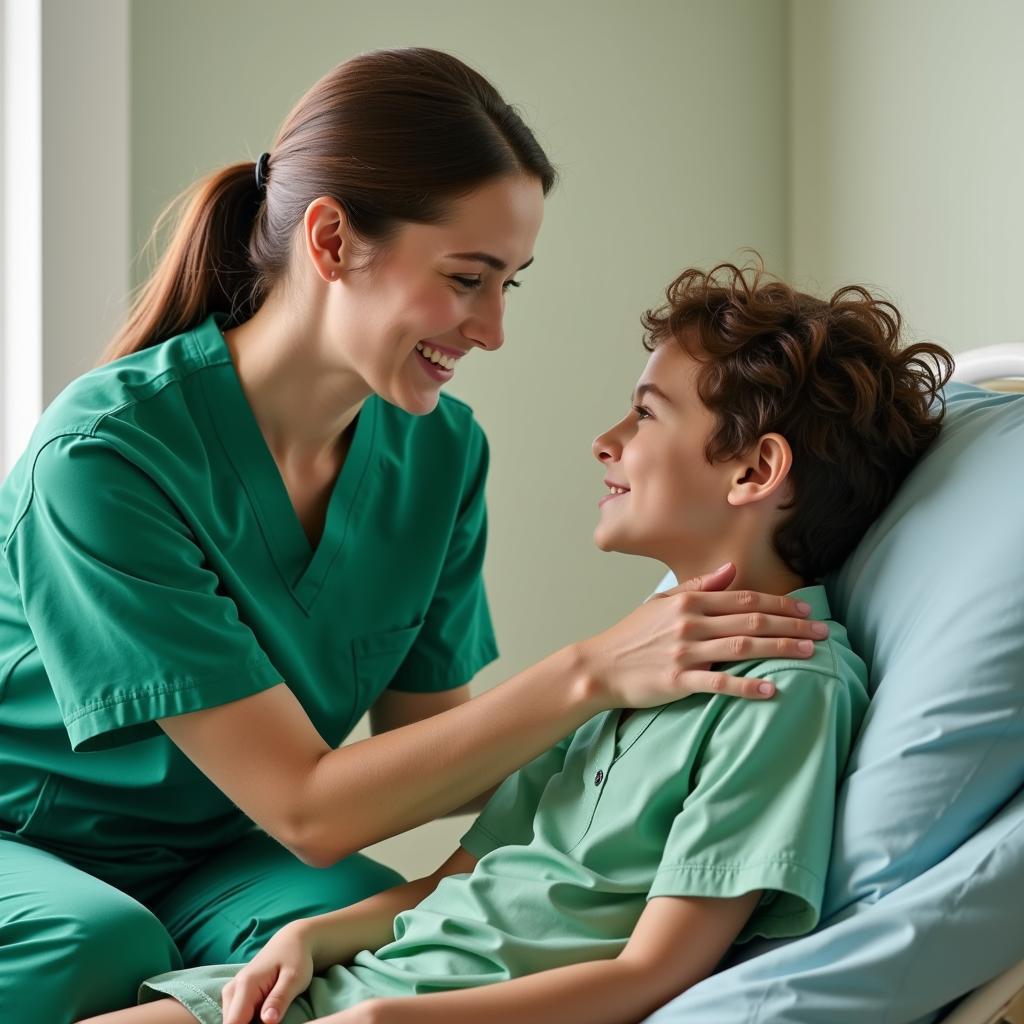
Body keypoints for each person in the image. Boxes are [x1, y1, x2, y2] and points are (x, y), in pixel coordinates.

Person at [0, 51, 823, 1023]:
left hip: (226, 857)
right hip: (35, 843)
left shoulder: (441, 456)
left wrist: (658, 773)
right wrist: (592, 672)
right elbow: (312, 809)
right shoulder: (105, 459)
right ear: (333, 238)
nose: (491, 329)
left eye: (508, 284)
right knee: (99, 945)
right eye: (467, 278)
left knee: (399, 945)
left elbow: (428, 759)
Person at [78, 259, 955, 1024]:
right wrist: (312, 936)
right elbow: (456, 884)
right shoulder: (627, 667)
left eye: (647, 416)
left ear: (755, 471)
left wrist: (395, 1021)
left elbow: (654, 973)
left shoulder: (787, 690)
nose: (605, 441)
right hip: (361, 984)